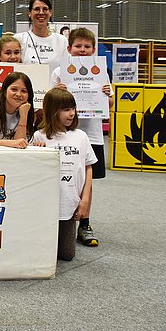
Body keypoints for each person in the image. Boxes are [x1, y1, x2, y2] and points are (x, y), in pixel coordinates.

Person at [50, 27, 114, 247]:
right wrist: (59, 91)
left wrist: (107, 95)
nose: (83, 50)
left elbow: (111, 105)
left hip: (92, 134)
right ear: (69, 49)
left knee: (86, 178)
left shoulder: (101, 72)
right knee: (63, 175)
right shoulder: (59, 72)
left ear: (94, 49)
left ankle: (85, 222)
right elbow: (50, 102)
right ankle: (59, 219)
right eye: (78, 46)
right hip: (64, 134)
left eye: (87, 47)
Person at [32, 88, 97, 261]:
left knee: (67, 255)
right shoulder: (40, 136)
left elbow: (88, 168)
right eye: (66, 109)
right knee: (43, 252)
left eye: (73, 109)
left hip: (70, 203)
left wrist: (84, 201)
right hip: (46, 204)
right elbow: (32, 169)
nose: (71, 114)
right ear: (53, 111)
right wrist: (36, 152)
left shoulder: (81, 136)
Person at [0, 71, 35, 149]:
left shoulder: (25, 111)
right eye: (14, 89)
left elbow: (19, 145)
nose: (18, 94)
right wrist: (13, 143)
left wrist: (23, 116)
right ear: (4, 92)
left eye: (24, 91)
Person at [14, 0, 68, 71]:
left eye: (45, 9)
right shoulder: (19, 39)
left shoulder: (62, 41)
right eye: (37, 9)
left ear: (50, 13)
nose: (41, 12)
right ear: (29, 13)